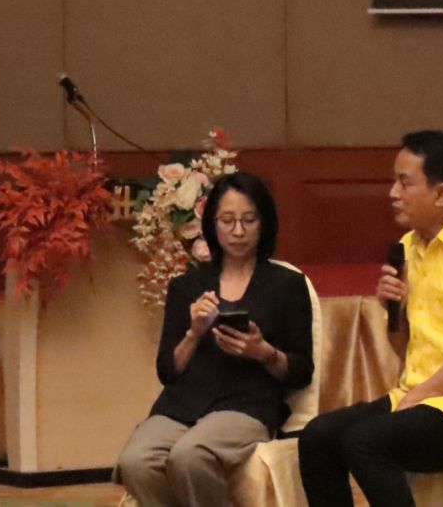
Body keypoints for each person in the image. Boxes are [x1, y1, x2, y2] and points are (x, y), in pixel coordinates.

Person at [298, 130, 443, 507]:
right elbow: (403, 349)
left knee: (364, 442)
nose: (393, 193)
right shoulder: (407, 248)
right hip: (419, 398)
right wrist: (395, 311)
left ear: (441, 193)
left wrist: (419, 397)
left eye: (405, 183)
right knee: (318, 436)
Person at [116, 171, 314, 507]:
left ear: (264, 223)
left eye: (248, 220)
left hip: (247, 405)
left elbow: (301, 370)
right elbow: (167, 371)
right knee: (135, 461)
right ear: (212, 224)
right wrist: (194, 333)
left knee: (190, 456)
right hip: (182, 405)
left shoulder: (288, 285)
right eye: (227, 220)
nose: (238, 231)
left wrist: (263, 352)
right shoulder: (186, 286)